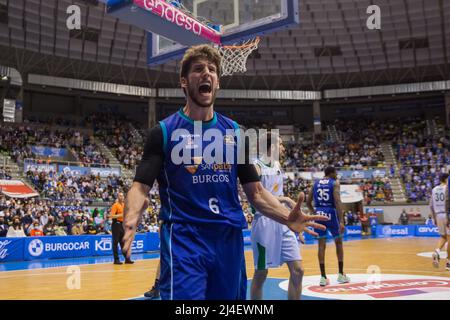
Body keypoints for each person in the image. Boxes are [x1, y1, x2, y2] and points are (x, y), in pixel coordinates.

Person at [122, 44, 327, 300]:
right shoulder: (163, 132)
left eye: (212, 70)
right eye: (198, 69)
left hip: (228, 240)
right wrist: (130, 220)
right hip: (185, 239)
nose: (206, 73)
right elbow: (140, 186)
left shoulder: (235, 132)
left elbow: (257, 192)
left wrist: (287, 217)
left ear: (217, 82)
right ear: (184, 82)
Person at [250, 133, 304, 300]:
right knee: (261, 273)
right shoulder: (256, 166)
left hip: (283, 221)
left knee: (298, 270)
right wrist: (285, 199)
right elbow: (255, 198)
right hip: (264, 223)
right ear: (272, 146)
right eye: (280, 144)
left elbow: (276, 193)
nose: (283, 148)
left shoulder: (278, 164)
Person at [307, 166, 350, 287]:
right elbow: (337, 202)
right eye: (335, 173)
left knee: (321, 246)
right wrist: (341, 220)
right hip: (331, 213)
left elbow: (308, 202)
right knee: (339, 243)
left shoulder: (315, 183)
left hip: (319, 214)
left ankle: (323, 277)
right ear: (331, 173)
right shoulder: (334, 183)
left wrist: (313, 213)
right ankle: (341, 274)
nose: (336, 175)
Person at [429, 174, 449, 269]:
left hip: (438, 215)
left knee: (443, 237)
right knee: (449, 239)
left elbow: (431, 205)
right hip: (447, 215)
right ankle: (448, 263)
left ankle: (436, 252)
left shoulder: (434, 189)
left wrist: (433, 218)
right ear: (446, 179)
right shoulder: (447, 188)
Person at [110, 192, 132, 264]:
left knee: (123, 242)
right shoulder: (115, 205)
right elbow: (112, 216)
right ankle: (116, 260)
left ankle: (127, 259)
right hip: (116, 224)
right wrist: (121, 215)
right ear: (117, 197)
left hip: (122, 225)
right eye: (120, 196)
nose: (121, 197)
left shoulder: (124, 205)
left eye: (122, 196)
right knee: (115, 242)